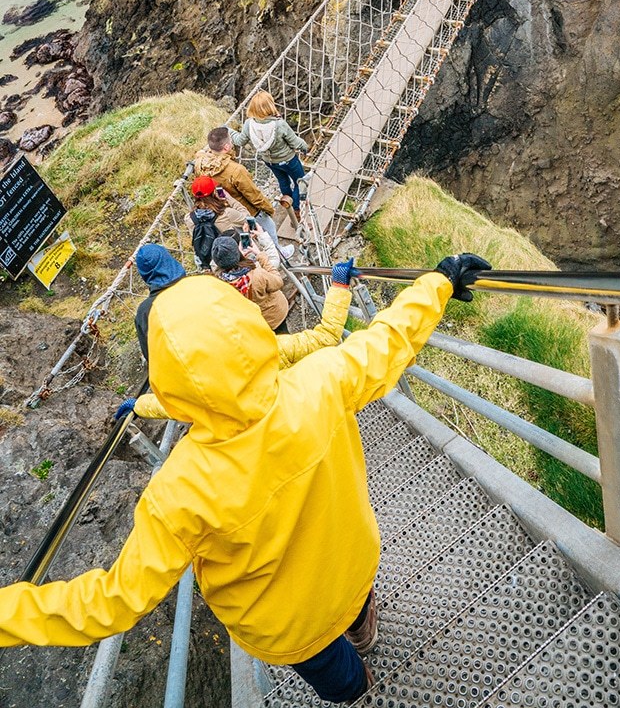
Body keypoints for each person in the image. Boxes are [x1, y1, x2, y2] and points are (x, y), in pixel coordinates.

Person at [0, 251, 492, 705]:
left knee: (339, 679)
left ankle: (361, 691)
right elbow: (390, 338)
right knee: (357, 605)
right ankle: (365, 629)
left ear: (165, 378)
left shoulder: (178, 493)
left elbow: (112, 603)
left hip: (286, 627)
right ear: (243, 323)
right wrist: (439, 281)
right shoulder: (322, 381)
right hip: (350, 562)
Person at [121, 276, 352, 421]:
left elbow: (175, 406)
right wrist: (340, 286)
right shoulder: (272, 349)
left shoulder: (204, 392)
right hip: (302, 414)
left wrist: (138, 405)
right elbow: (326, 336)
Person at [194, 126, 291, 257]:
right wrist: (268, 209)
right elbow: (253, 194)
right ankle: (279, 255)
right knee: (268, 229)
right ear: (227, 147)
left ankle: (256, 257)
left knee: (244, 237)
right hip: (249, 211)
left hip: (224, 210)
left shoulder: (200, 163)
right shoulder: (236, 170)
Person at [230, 91, 309, 214]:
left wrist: (228, 130)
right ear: (270, 106)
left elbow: (240, 141)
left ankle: (289, 203)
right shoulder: (279, 124)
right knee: (300, 182)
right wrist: (304, 147)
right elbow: (295, 142)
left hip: (270, 162)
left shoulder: (249, 124)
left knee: (283, 182)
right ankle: (297, 208)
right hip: (289, 160)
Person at [184, 175, 283, 271]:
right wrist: (229, 198)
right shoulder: (226, 213)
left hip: (215, 261)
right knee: (267, 263)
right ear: (214, 192)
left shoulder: (189, 218)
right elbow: (247, 217)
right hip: (237, 255)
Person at [210, 234, 290, 333]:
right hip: (274, 317)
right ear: (238, 253)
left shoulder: (219, 283)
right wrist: (260, 255)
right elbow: (278, 281)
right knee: (285, 339)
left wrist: (236, 255)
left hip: (254, 325)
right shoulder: (257, 275)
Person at [133, 244, 187, 362]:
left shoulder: (145, 312)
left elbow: (150, 356)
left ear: (144, 274)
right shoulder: (202, 284)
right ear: (168, 259)